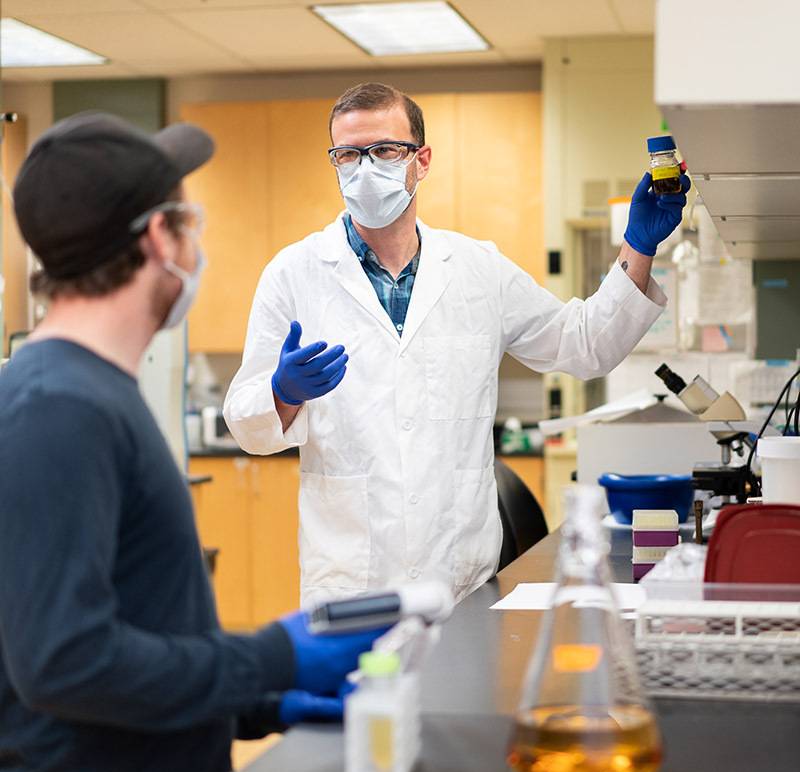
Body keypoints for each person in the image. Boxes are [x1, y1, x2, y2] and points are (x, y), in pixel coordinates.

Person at [0, 112, 383, 772]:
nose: (196, 245)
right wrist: (274, 657)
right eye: (188, 222)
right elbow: (63, 663)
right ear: (158, 237)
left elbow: (136, 635)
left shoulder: (89, 391)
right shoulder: (59, 407)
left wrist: (259, 703)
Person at [224, 82, 690, 606]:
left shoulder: (477, 269)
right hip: (352, 583)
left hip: (460, 578)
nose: (364, 169)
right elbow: (246, 423)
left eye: (384, 150)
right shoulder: (294, 274)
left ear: (421, 160)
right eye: (348, 155)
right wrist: (282, 393)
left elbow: (585, 345)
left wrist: (638, 246)